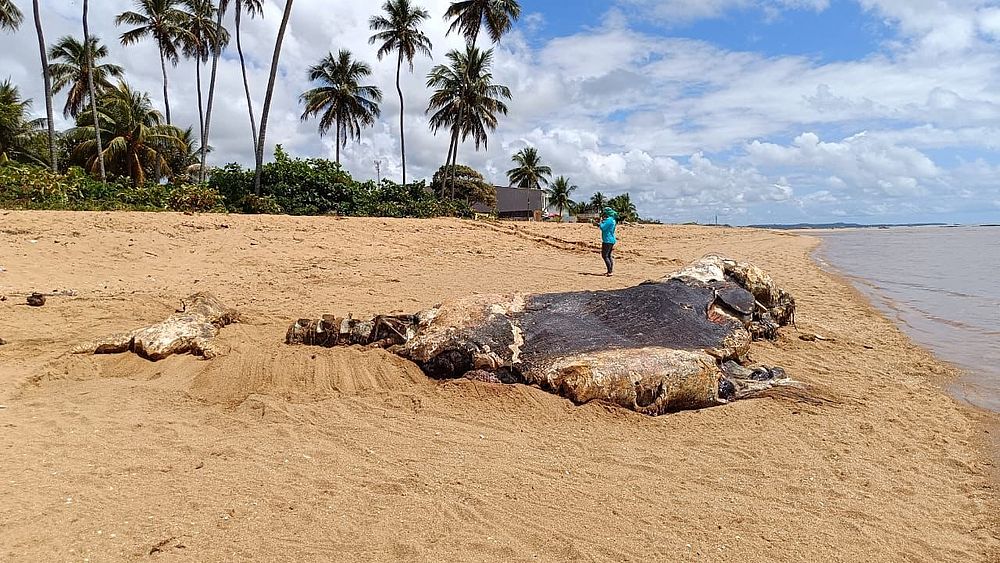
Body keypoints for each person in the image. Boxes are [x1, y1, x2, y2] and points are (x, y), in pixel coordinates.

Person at [596, 207, 618, 276]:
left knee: (605, 256)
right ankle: (610, 270)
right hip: (611, 239)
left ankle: (610, 271)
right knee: (609, 255)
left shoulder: (609, 220)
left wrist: (600, 223)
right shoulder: (613, 220)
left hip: (607, 240)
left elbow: (603, 227)